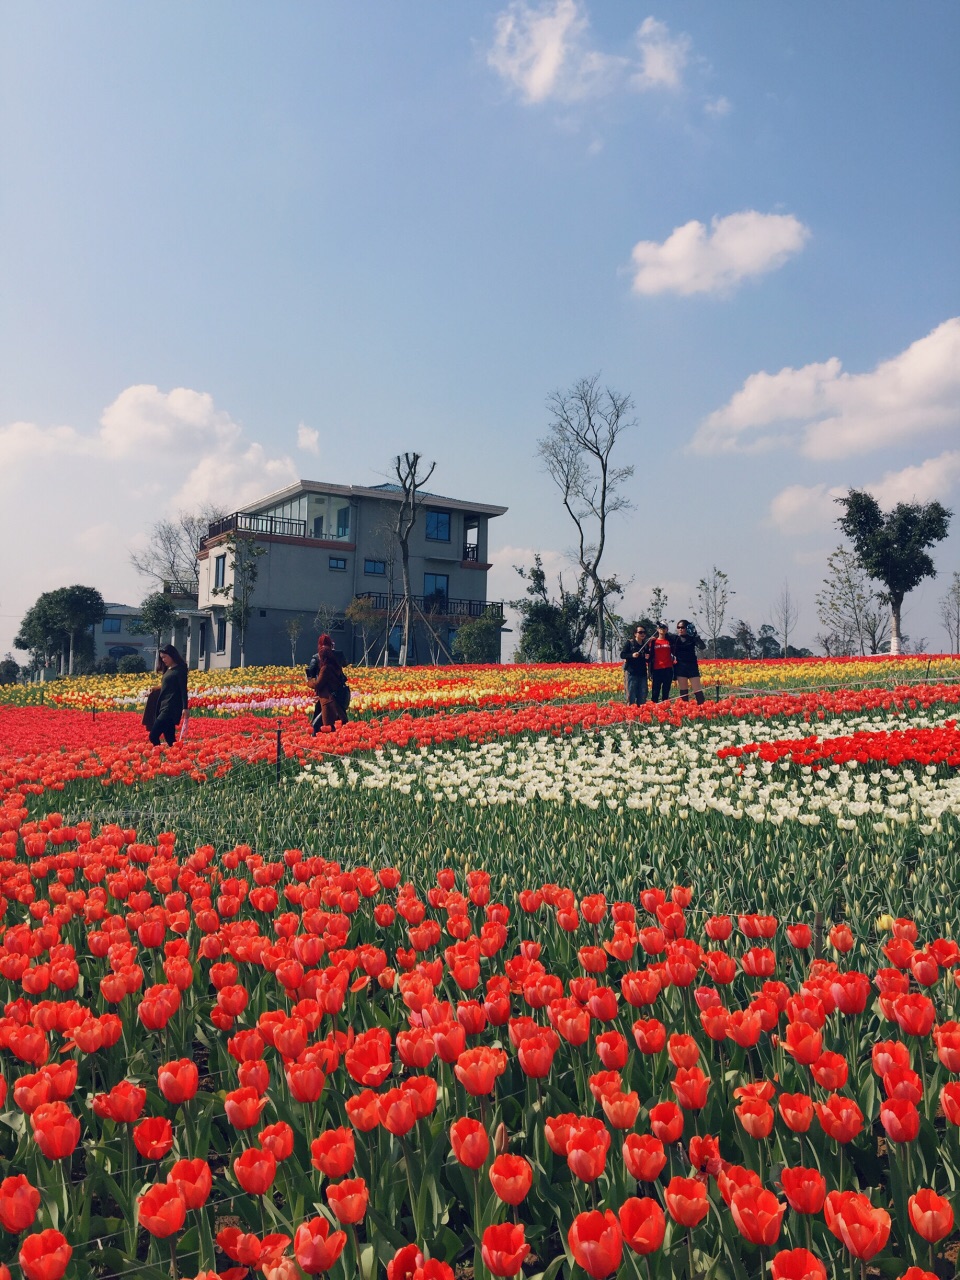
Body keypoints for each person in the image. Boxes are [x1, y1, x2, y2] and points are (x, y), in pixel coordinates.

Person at [306, 634, 350, 732]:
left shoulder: (325, 668)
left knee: (322, 726)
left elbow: (317, 684)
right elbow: (345, 663)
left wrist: (308, 682)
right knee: (331, 723)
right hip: (336, 696)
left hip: (328, 699)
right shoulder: (336, 664)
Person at [148, 644, 189, 746]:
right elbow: (166, 686)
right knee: (170, 739)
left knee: (153, 736)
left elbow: (183, 690)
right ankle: (178, 758)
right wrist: (154, 689)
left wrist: (185, 708)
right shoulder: (168, 669)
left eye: (165, 657)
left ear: (172, 655)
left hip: (171, 707)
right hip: (163, 705)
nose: (163, 660)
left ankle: (157, 757)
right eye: (161, 658)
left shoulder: (180, 670)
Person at [672, 619, 706, 705]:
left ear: (687, 628)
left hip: (692, 667)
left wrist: (695, 635)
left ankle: (702, 708)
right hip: (680, 667)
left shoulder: (692, 638)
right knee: (684, 691)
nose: (680, 629)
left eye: (682, 627)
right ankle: (686, 709)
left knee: (697, 690)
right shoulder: (675, 639)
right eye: (678, 627)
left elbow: (702, 646)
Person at [620, 624, 650, 705]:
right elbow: (622, 654)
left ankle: (641, 714)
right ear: (635, 634)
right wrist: (632, 655)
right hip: (631, 673)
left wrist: (648, 657)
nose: (643, 634)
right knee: (631, 695)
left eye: (644, 632)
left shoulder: (645, 645)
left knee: (642, 695)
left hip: (642, 673)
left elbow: (648, 657)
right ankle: (631, 713)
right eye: (640, 632)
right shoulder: (630, 643)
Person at [647, 622, 675, 703]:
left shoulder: (670, 641)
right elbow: (647, 652)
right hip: (656, 669)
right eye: (660, 628)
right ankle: (654, 708)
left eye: (664, 628)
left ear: (667, 629)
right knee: (655, 691)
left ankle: (665, 708)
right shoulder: (653, 641)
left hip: (668, 669)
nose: (662, 629)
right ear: (657, 629)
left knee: (666, 692)